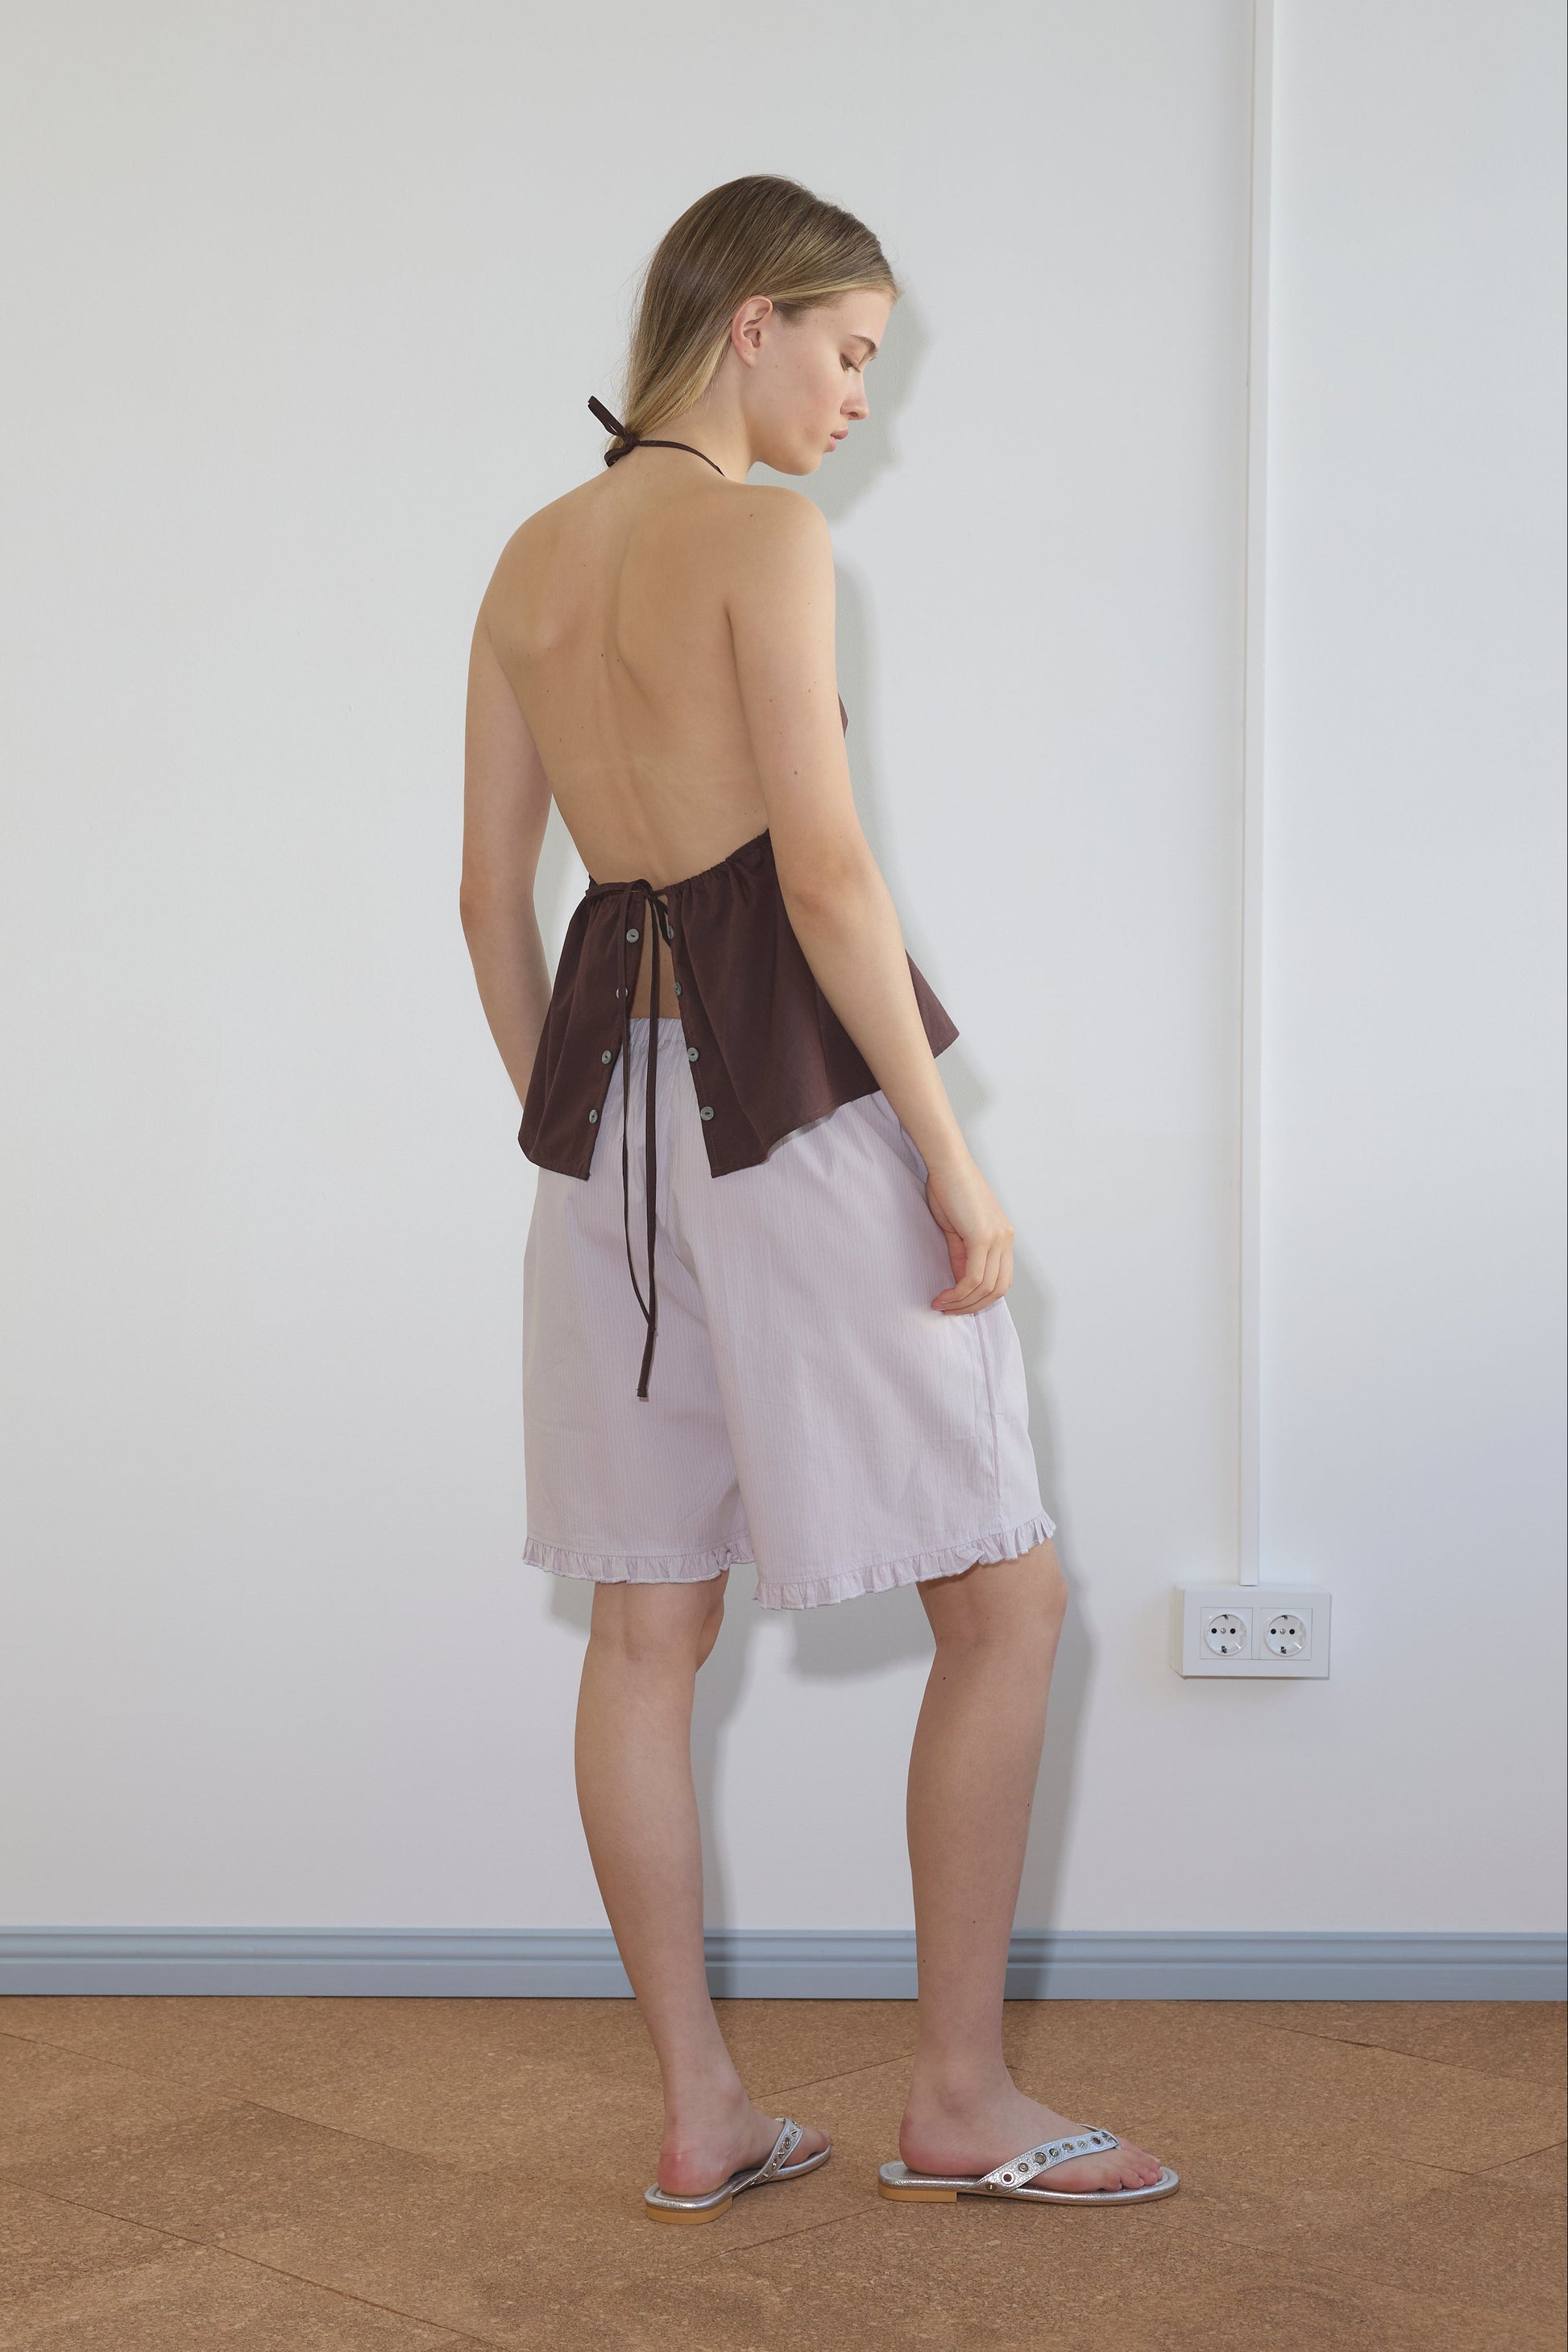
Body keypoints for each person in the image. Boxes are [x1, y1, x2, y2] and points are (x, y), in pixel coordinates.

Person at [460, 174, 1176, 2221]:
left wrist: (589, 1130)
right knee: (1009, 1592)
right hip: (793, 1101)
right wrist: (953, 1164)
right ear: (750, 319)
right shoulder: (763, 537)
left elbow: (482, 897)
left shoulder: (527, 555)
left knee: (644, 1621)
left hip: (607, 1132)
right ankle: (954, 2093)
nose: (864, 395)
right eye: (855, 349)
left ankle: (701, 2109)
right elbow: (825, 877)